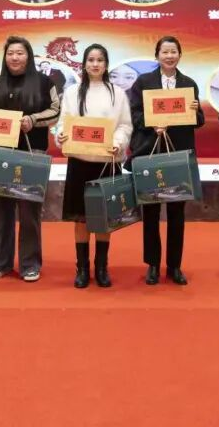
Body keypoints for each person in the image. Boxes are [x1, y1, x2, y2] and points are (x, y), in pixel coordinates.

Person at [0, 37, 61, 282]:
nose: (15, 57)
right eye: (10, 53)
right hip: (2, 154)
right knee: (2, 212)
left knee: (30, 213)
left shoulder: (44, 82)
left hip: (32, 154)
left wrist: (33, 119)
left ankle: (30, 264)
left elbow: (56, 111)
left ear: (28, 56)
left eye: (20, 53)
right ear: (5, 57)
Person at [126, 36, 205, 286]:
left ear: (180, 55)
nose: (169, 56)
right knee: (150, 211)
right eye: (165, 52)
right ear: (157, 56)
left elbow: (199, 120)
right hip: (151, 152)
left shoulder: (188, 83)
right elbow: (134, 114)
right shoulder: (143, 82)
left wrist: (195, 110)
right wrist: (152, 123)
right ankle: (152, 264)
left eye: (173, 52)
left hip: (179, 154)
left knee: (176, 212)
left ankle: (174, 265)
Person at [56, 43, 133, 288]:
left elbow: (125, 125)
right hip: (79, 162)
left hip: (106, 163)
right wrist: (60, 135)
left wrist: (118, 143)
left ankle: (101, 267)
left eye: (100, 60)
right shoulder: (72, 92)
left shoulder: (117, 93)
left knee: (104, 218)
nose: (95, 64)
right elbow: (62, 124)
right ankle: (82, 268)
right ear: (84, 63)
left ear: (106, 64)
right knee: (81, 219)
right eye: (91, 60)